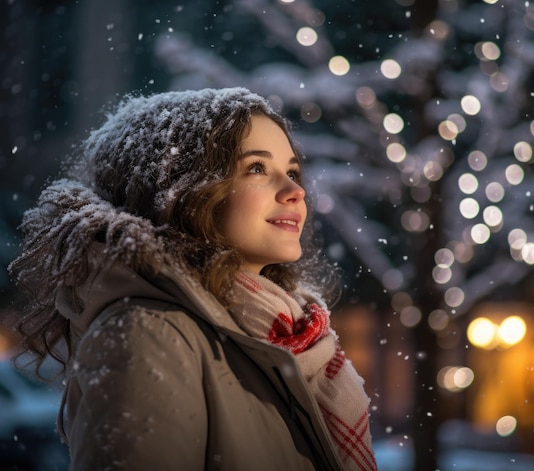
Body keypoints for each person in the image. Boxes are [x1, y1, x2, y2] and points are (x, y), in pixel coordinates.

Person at [8, 88, 377, 471]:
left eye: (293, 172)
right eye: (256, 168)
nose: (295, 191)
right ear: (181, 189)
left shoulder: (283, 338)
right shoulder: (148, 334)